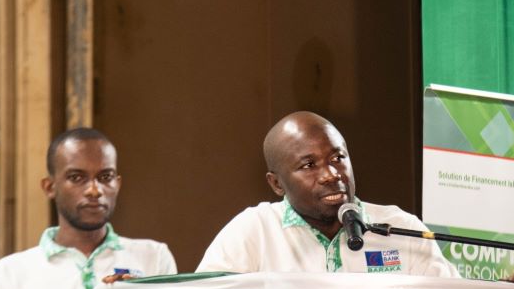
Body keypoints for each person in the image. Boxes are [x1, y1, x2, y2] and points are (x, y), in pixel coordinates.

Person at [0, 128, 177, 289]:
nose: (94, 190)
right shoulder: (8, 276)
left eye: (105, 177)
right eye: (77, 178)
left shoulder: (153, 258)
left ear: (117, 184)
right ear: (50, 187)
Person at [197, 111, 459, 276]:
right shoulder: (254, 231)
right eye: (309, 165)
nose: (331, 174)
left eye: (337, 158)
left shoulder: (401, 229)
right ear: (277, 184)